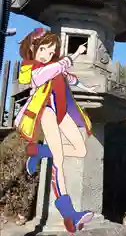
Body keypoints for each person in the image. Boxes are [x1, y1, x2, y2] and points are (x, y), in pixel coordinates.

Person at [14, 28, 98, 233]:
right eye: (43, 49)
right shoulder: (32, 69)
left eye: (51, 52)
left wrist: (87, 89)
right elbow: (55, 69)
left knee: (80, 150)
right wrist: (71, 57)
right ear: (33, 48)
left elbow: (69, 77)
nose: (47, 55)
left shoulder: (55, 65)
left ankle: (39, 151)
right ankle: (70, 214)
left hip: (62, 112)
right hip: (47, 112)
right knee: (58, 161)